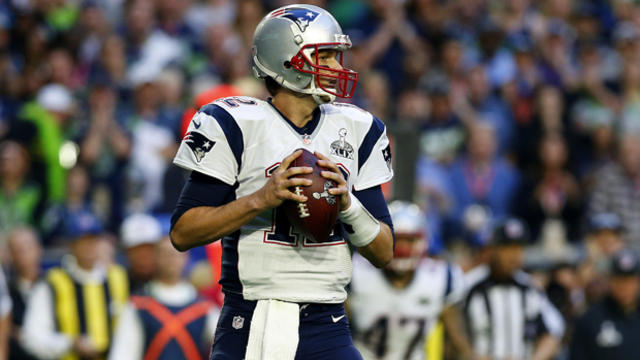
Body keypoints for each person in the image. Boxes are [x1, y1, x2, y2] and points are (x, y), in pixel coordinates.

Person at [170, 4, 394, 359]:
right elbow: (183, 233)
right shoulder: (234, 122)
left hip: (328, 322)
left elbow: (384, 252)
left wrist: (348, 204)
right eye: (327, 56)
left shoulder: (359, 129)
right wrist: (261, 198)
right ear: (288, 60)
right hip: (251, 317)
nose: (338, 68)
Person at [349, 200, 472, 360]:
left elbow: (458, 343)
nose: (402, 248)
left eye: (409, 240)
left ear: (423, 242)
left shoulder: (442, 277)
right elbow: (333, 335)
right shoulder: (356, 272)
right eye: (398, 239)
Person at [21, 212, 129, 359]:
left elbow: (130, 333)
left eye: (92, 240)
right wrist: (69, 343)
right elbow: (32, 337)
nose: (88, 247)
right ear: (71, 245)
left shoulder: (118, 278)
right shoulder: (53, 282)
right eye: (82, 241)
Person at [464, 218, 565, 360]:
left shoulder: (530, 288)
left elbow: (554, 330)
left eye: (519, 248)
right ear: (492, 249)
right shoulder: (469, 286)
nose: (514, 255)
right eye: (507, 248)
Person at [108, 236, 219, 360]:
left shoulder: (204, 307)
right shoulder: (138, 305)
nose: (171, 259)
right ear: (155, 258)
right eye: (165, 254)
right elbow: (124, 353)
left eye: (176, 253)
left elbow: (226, 347)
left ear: (186, 258)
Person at [570, 249, 640, 360]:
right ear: (609, 281)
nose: (625, 287)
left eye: (630, 281)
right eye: (619, 280)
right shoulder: (590, 319)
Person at [6, 227, 41, 360]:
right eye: (15, 249)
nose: (21, 253)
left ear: (38, 248)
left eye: (26, 246)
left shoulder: (54, 287)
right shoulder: (6, 294)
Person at [120, 213, 163, 294]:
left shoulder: (175, 285)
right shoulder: (114, 285)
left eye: (149, 249)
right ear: (126, 252)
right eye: (137, 249)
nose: (143, 255)